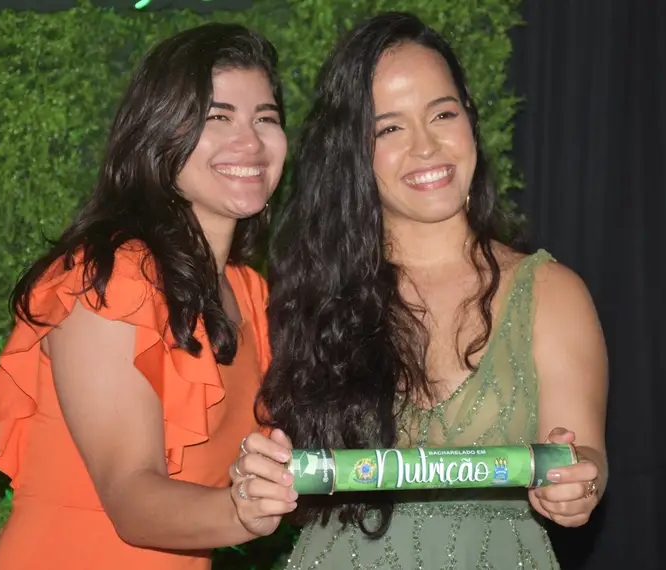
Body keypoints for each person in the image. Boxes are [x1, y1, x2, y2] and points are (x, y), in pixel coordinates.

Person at [258, 11, 609, 570]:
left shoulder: (551, 292)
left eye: (442, 113)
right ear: (354, 151)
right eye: (389, 128)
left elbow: (584, 454)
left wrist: (577, 483)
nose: (426, 146)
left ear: (470, 118)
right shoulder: (310, 296)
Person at [0, 23, 297, 570]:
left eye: (266, 118)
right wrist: (240, 511)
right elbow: (131, 499)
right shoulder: (108, 277)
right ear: (160, 134)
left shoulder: (249, 291)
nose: (251, 141)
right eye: (217, 117)